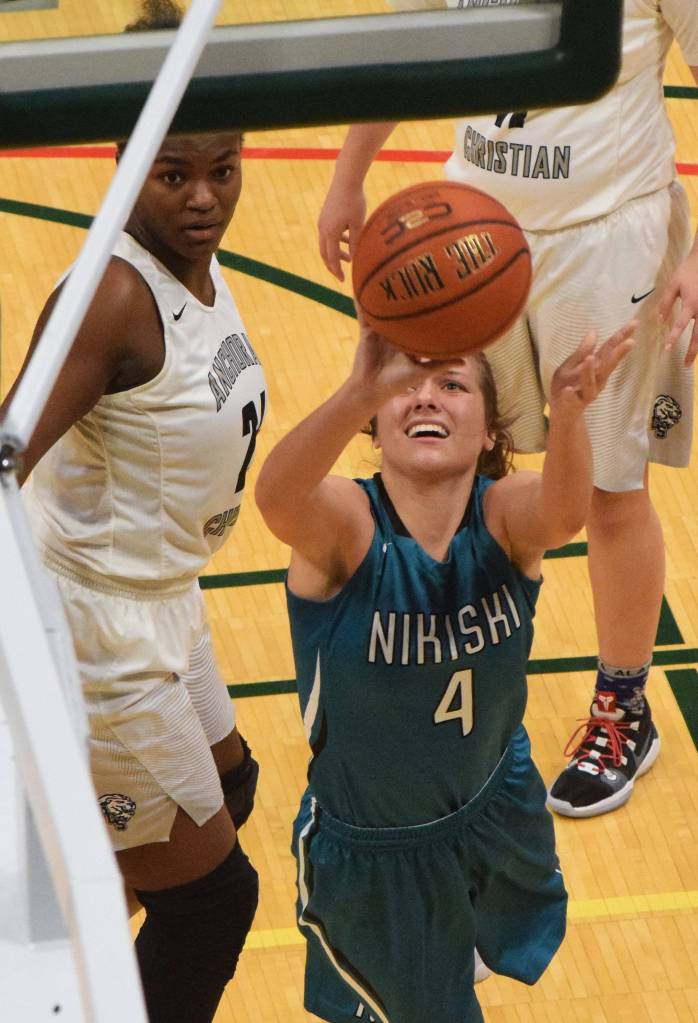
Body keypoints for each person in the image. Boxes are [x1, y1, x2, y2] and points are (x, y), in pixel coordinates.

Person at [316, 0, 698, 819]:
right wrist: (348, 179)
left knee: (607, 492)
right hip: (470, 236)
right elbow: (403, 46)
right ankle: (444, 682)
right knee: (444, 462)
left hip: (609, 241)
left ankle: (624, 705)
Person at [255, 311, 634, 1023]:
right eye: (405, 383)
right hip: (377, 848)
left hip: (498, 805)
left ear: (490, 428)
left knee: (463, 972)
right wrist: (353, 391)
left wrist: (573, 414)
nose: (426, 396)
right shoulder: (349, 528)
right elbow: (277, 498)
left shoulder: (502, 520)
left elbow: (564, 511)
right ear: (375, 422)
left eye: (453, 383)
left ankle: (450, 944)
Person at [0, 3, 263, 1020]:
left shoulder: (195, 263)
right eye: (174, 175)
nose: (203, 200)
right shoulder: (112, 296)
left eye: (223, 170)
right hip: (103, 632)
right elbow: (7, 450)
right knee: (213, 903)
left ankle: (76, 967)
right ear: (127, 161)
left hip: (168, 601)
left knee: (226, 798)